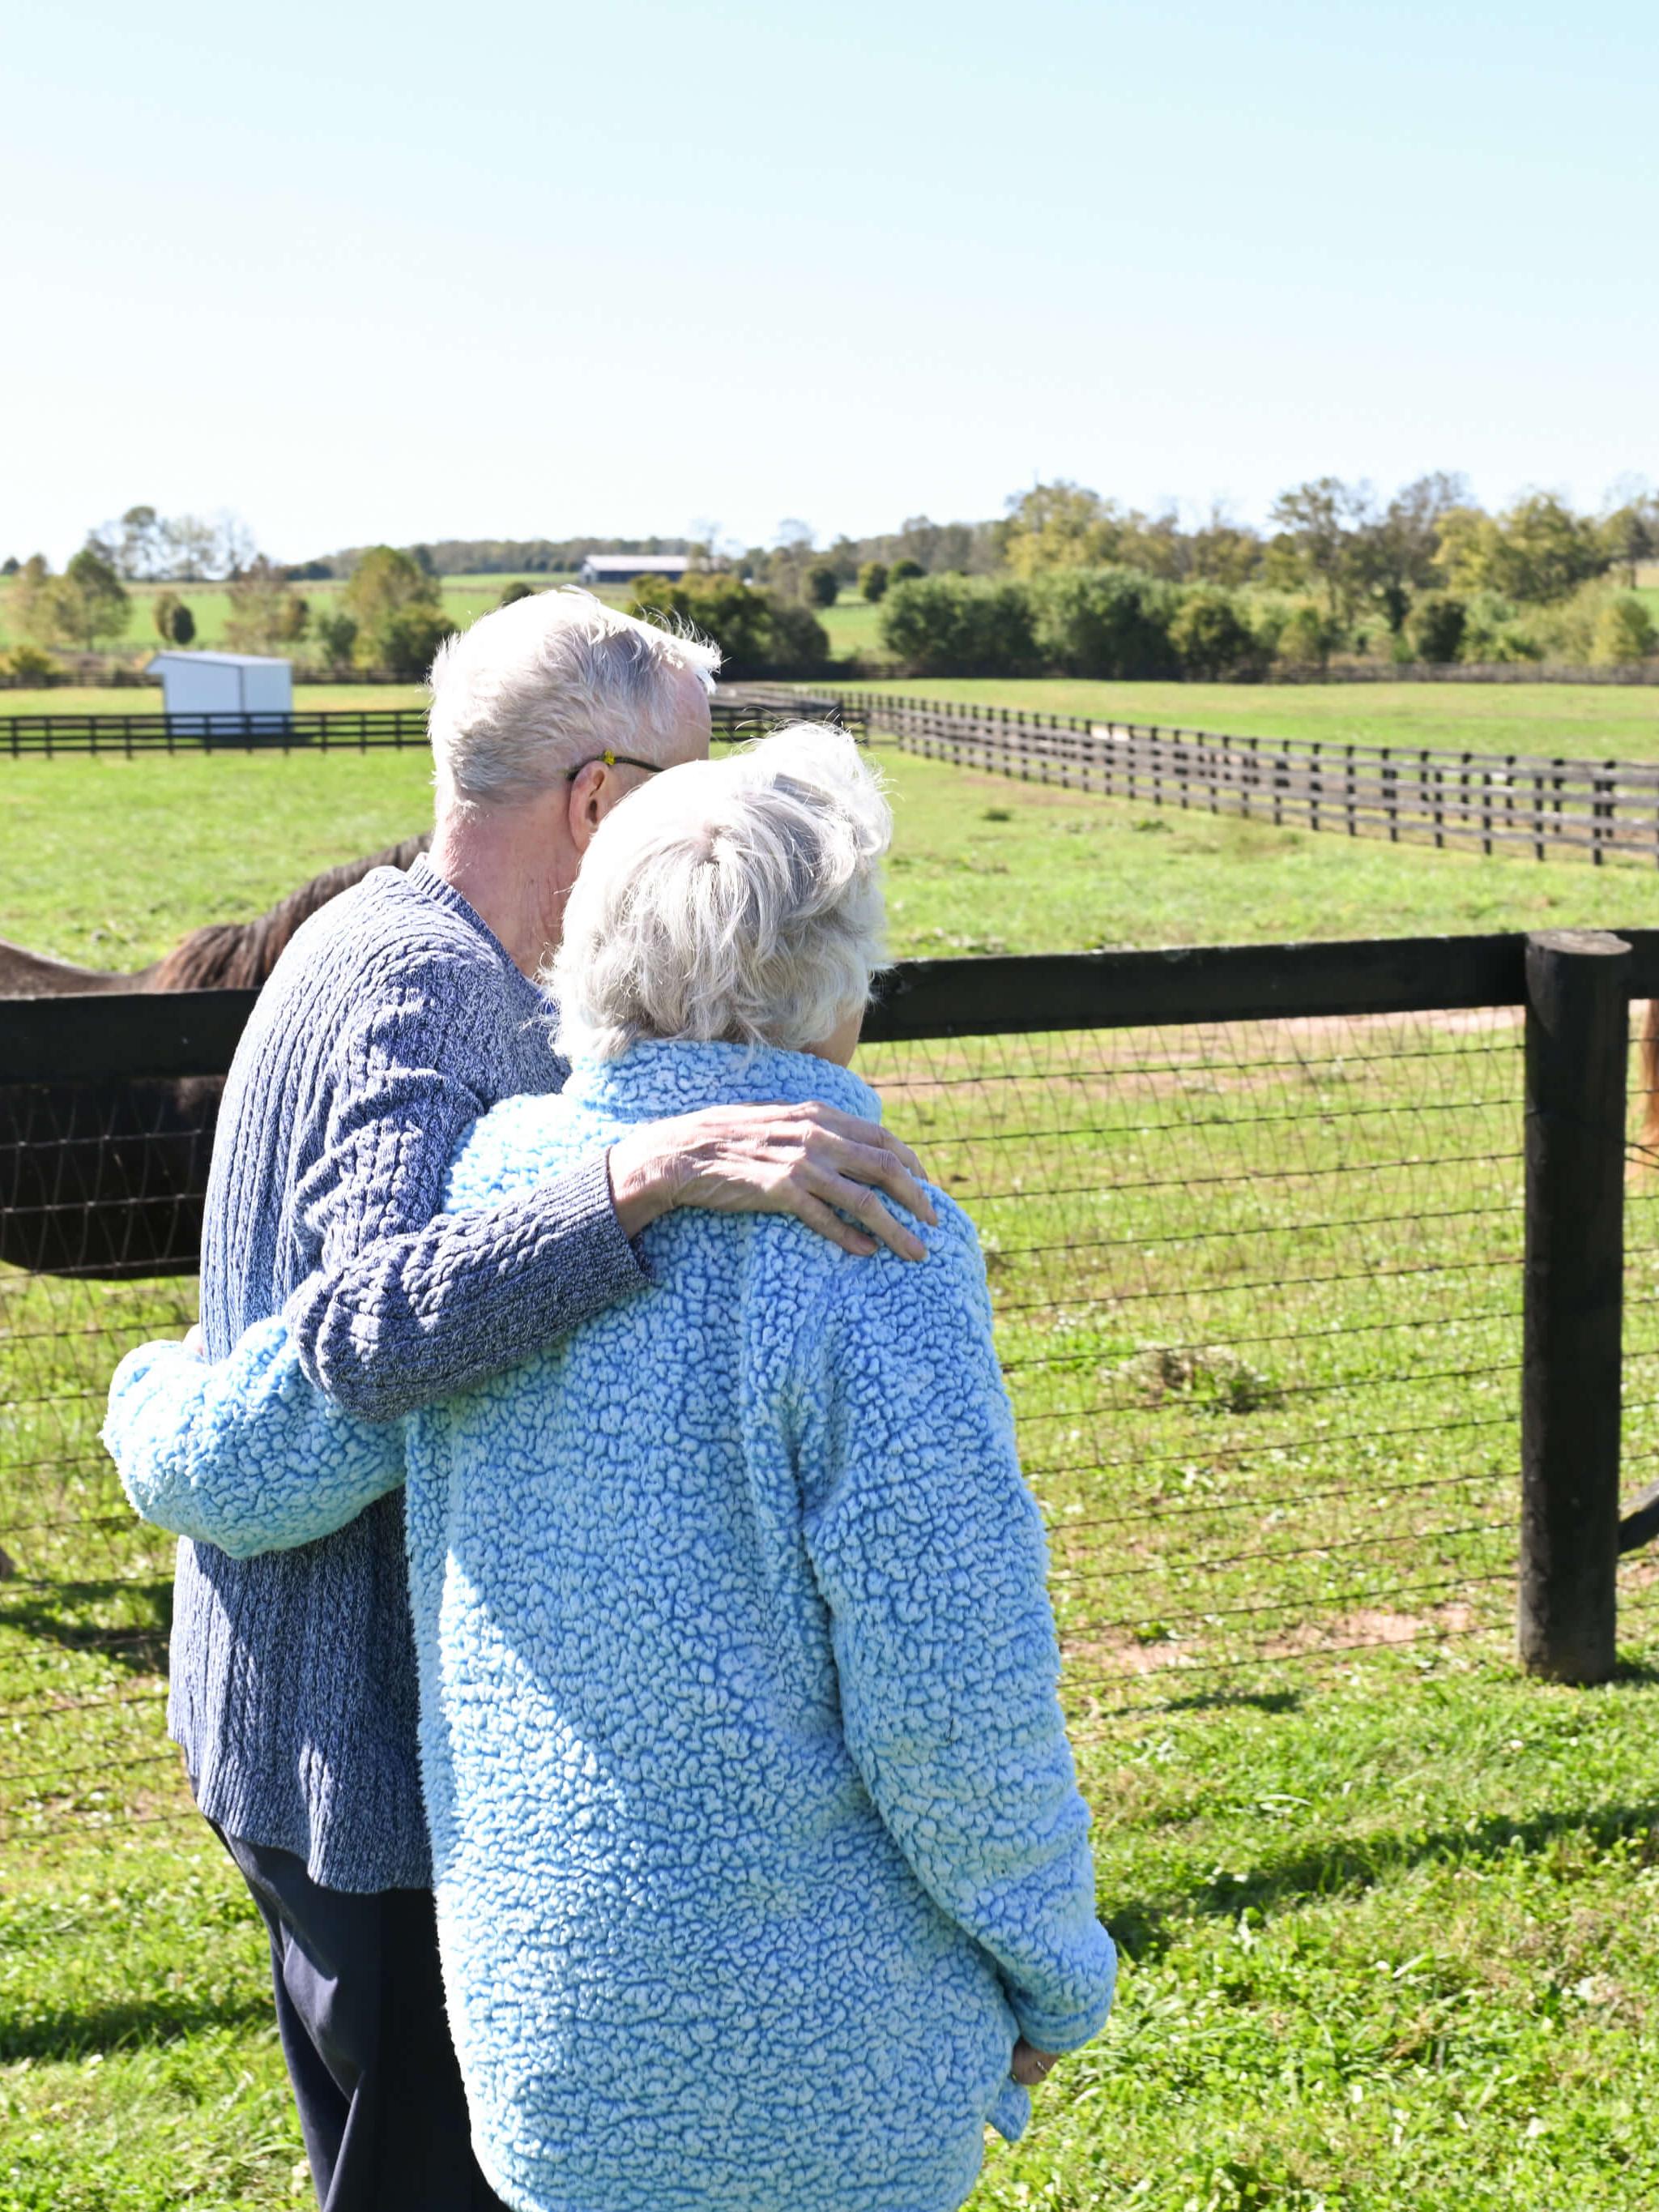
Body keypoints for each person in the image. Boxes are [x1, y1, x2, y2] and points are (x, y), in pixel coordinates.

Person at [106, 727, 1116, 2212]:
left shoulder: (497, 1203)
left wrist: (150, 1398)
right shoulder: (870, 1239)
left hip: (546, 2047)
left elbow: (274, 1441)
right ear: (839, 970)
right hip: (821, 2060)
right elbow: (953, 1676)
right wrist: (1053, 1964)